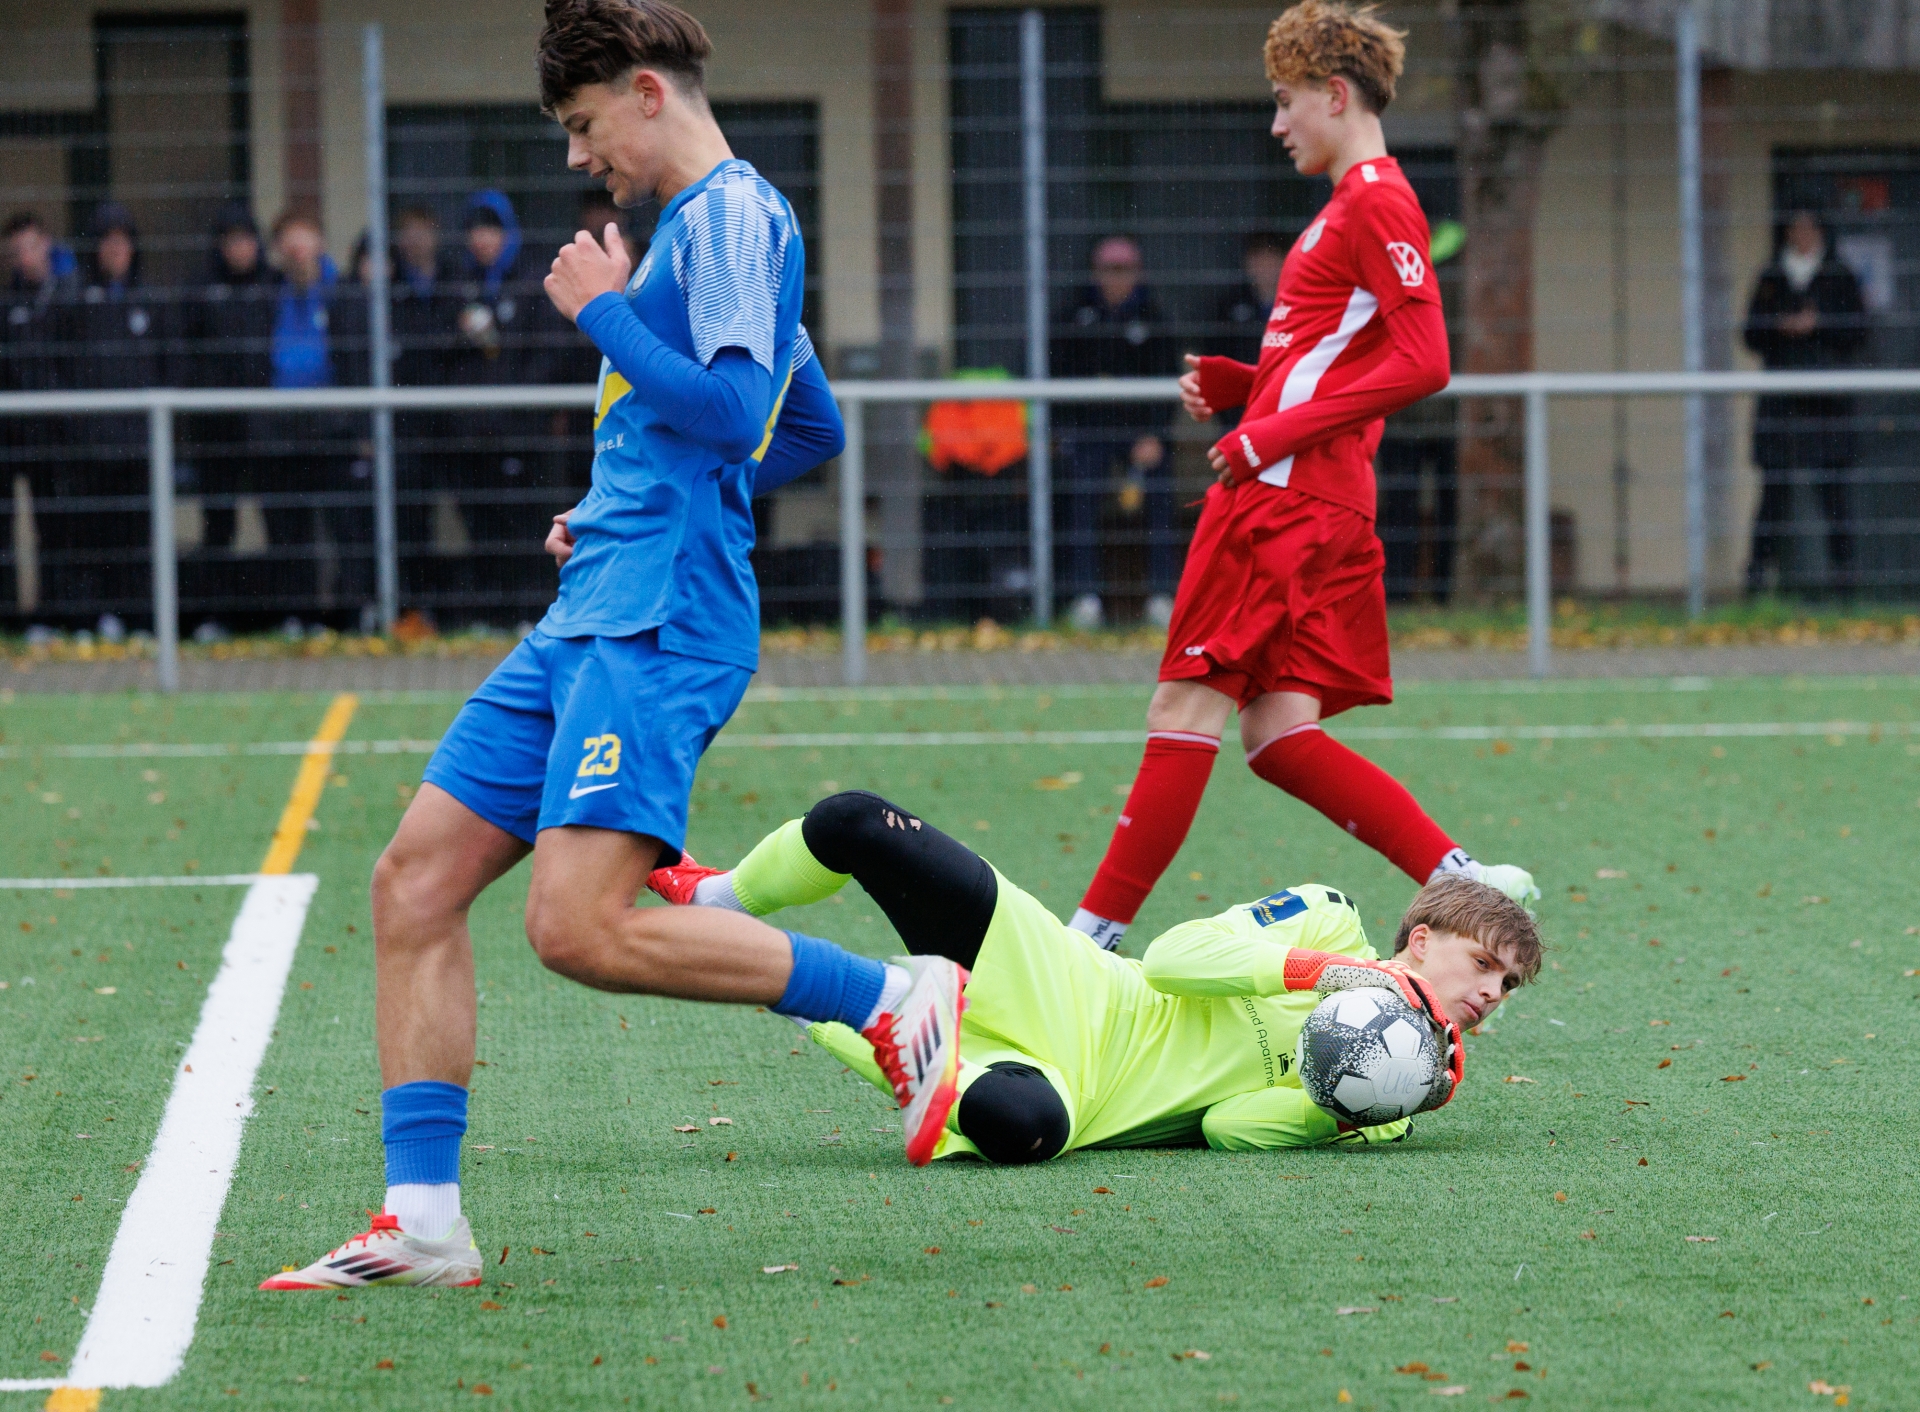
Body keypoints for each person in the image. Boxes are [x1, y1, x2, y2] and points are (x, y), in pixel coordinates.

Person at [261, 0, 891, 1293]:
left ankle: (888, 999)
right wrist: (624, 502)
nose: (576, 154)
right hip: (595, 606)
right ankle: (423, 1224)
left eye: (585, 122)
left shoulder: (730, 216)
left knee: (576, 927)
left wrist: (604, 315)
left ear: (648, 93)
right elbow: (802, 425)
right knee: (412, 883)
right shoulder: (700, 231)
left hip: (660, 622)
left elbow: (736, 410)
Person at [1069, 0, 1536, 954]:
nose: (1278, 123)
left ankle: (1084, 945)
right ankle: (1465, 880)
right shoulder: (1350, 206)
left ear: (1333, 94)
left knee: (1182, 706)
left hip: (1284, 500)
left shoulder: (1375, 201)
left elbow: (1425, 361)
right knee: (1279, 733)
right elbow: (1346, 360)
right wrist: (1249, 387)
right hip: (1313, 494)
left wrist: (1266, 432)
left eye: (1285, 101)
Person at [652, 791, 1537, 1161]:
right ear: (1422, 938)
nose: (1491, 994)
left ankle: (793, 987)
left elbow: (1228, 1127)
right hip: (1068, 983)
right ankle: (717, 898)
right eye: (1484, 965)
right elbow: (1175, 961)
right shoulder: (1329, 916)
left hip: (1087, 1096)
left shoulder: (1396, 1101)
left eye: (1506, 988)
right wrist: (1329, 976)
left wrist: (1352, 1104)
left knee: (1021, 1128)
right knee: (857, 822)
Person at [1049, 234, 1180, 628]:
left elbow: (1169, 381)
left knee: (1159, 497)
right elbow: (1059, 376)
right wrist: (1068, 433)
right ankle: (1085, 598)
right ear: (1095, 272)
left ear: (1137, 273)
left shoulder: (1154, 316)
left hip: (1141, 436)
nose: (1116, 278)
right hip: (1089, 434)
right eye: (1108, 270)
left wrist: (1155, 434)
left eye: (1124, 270)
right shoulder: (1074, 314)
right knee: (1079, 497)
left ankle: (1161, 596)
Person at [1741, 209, 1868, 597]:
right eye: (1795, 227)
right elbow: (1750, 334)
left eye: (1809, 227)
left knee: (1833, 493)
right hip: (1781, 402)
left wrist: (1819, 324)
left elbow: (1859, 331)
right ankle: (1756, 580)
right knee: (1773, 493)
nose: (1802, 234)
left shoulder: (1839, 275)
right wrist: (1780, 326)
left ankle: (1845, 584)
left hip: (1827, 403)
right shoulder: (1771, 276)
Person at [59, 201, 174, 618]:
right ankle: (95, 618)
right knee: (91, 535)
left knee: (138, 534)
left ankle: (139, 617)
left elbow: (170, 366)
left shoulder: (152, 300)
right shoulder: (74, 302)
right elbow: (61, 366)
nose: (115, 250)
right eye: (107, 242)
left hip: (139, 444)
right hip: (90, 447)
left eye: (122, 241)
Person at [180, 202, 276, 627]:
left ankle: (285, 615)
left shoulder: (272, 286)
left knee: (280, 522)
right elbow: (186, 356)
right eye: (232, 240)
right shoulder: (201, 290)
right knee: (218, 524)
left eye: (247, 239)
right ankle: (213, 617)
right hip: (215, 429)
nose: (240, 248)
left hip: (266, 427)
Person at [1, 211, 75, 618]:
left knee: (54, 527)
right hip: (12, 435)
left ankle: (54, 614)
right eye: (16, 251)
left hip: (54, 434)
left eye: (30, 247)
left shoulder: (67, 297)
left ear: (46, 244)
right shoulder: (7, 304)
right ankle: (10, 616)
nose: (24, 257)